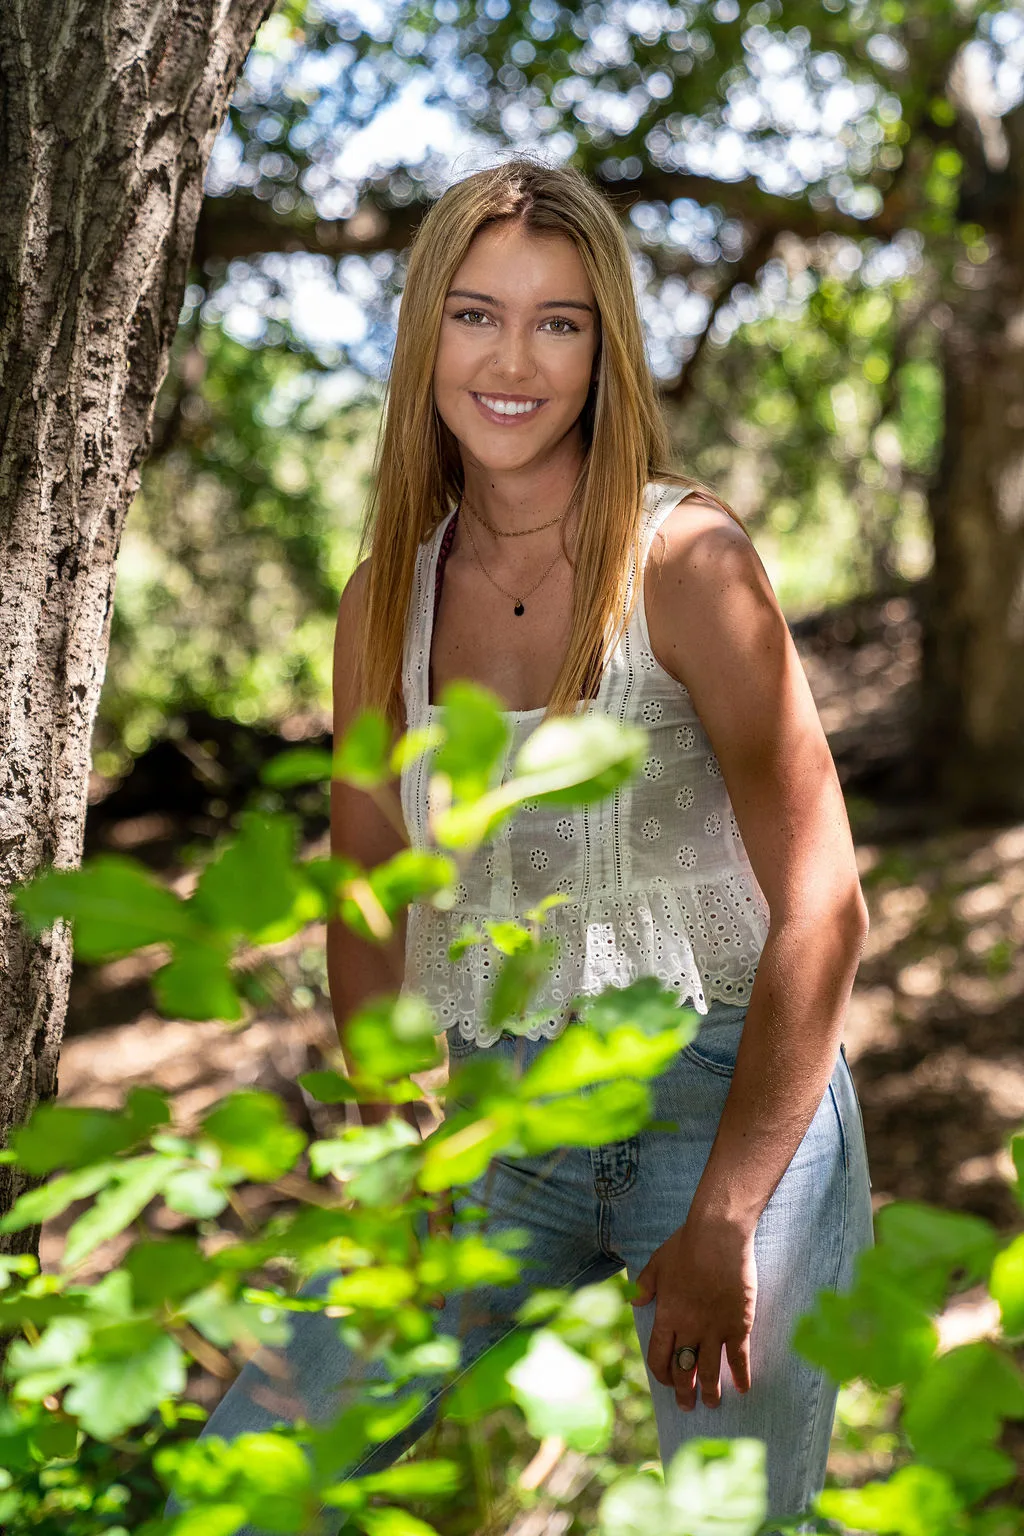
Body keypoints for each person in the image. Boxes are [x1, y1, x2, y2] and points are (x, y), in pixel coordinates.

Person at [168, 155, 873, 1534]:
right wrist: (388, 1127)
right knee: (250, 1478)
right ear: (426, 330)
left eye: (559, 322)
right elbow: (367, 889)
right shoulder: (385, 600)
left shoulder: (688, 563)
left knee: (736, 1524)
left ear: (605, 349)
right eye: (477, 313)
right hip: (495, 1116)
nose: (513, 359)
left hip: (729, 1104)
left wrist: (727, 1214)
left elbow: (825, 903)